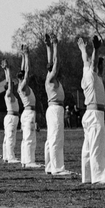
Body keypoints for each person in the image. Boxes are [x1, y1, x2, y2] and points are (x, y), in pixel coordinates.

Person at [77, 35, 105, 185]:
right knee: (97, 147)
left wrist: (82, 49)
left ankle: (87, 177)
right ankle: (99, 177)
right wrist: (95, 49)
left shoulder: (88, 74)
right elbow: (92, 62)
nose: (100, 65)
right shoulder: (91, 74)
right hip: (95, 115)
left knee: (87, 148)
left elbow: (86, 60)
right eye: (100, 63)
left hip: (89, 114)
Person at [43, 34, 70, 177]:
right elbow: (56, 62)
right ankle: (57, 168)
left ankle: (49, 166)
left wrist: (48, 46)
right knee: (56, 138)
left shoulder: (50, 76)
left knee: (51, 138)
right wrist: (55, 45)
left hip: (54, 109)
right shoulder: (51, 77)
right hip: (55, 109)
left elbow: (52, 61)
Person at [17, 45, 40, 169]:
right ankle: (29, 161)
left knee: (26, 138)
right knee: (30, 138)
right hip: (29, 113)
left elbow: (23, 70)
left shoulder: (20, 85)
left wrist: (23, 56)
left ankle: (25, 160)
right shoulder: (23, 86)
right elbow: (27, 70)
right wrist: (26, 55)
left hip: (27, 113)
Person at [0, 60, 20, 163]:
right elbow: (9, 84)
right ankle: (10, 157)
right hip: (11, 117)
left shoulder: (9, 94)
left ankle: (5, 156)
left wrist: (5, 70)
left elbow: (8, 82)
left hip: (11, 117)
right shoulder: (8, 94)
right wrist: (8, 70)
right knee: (10, 137)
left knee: (8, 137)